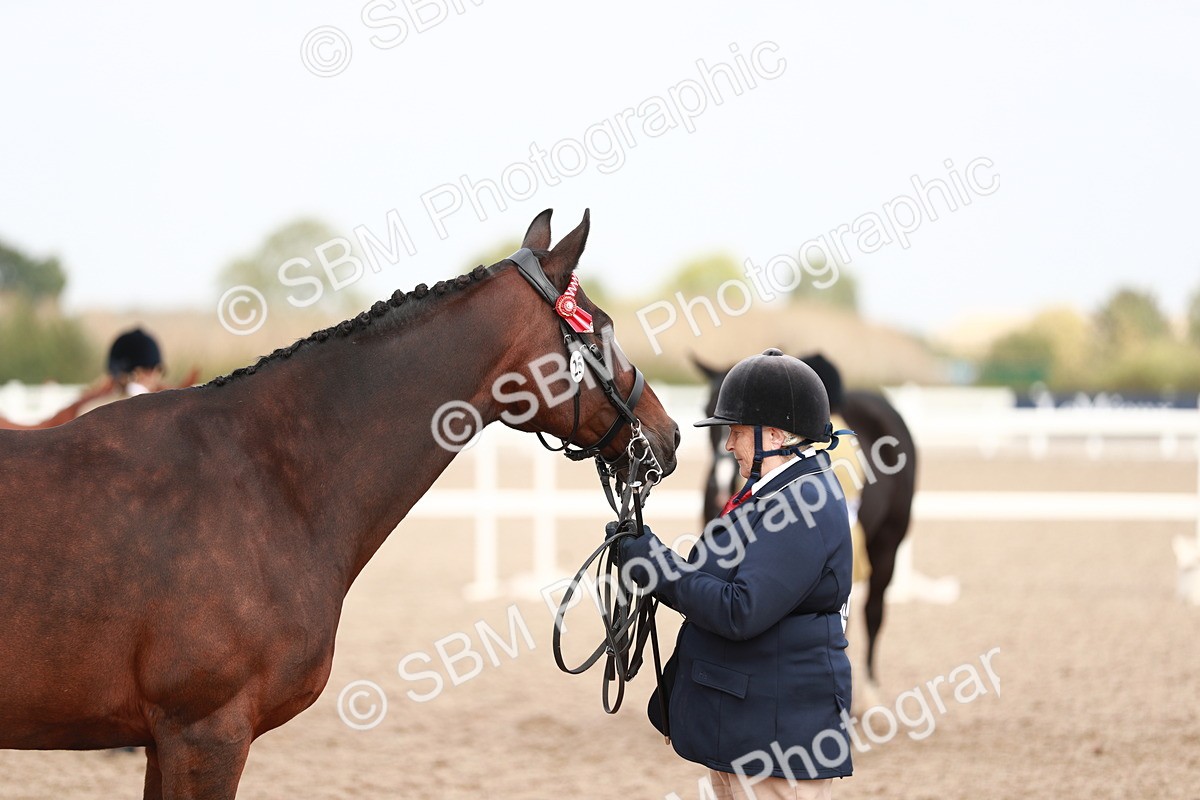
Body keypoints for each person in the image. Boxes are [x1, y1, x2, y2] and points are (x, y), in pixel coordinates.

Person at [618, 348, 854, 799]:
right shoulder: (769, 494)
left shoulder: (803, 504)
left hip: (774, 742)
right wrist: (647, 554)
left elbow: (740, 609)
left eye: (737, 432)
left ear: (777, 435)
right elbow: (713, 577)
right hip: (747, 728)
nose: (728, 445)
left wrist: (656, 566)